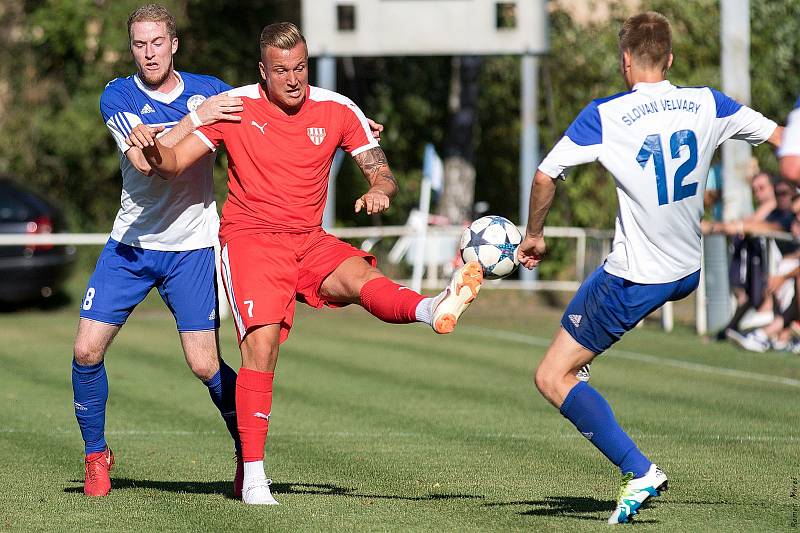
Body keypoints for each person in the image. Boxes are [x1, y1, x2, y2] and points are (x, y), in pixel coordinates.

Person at [126, 22, 483, 505]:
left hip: (308, 240)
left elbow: (379, 168)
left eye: (300, 68)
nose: (293, 79)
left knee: (362, 276)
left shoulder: (337, 108)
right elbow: (171, 163)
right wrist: (153, 149)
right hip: (250, 242)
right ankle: (253, 477)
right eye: (281, 70)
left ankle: (430, 307)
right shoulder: (233, 107)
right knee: (263, 345)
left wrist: (379, 189)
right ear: (262, 71)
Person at [75, 4, 386, 499]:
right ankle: (96, 456)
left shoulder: (214, 89)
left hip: (193, 247)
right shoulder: (118, 96)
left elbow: (273, 103)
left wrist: (350, 122)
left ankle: (248, 456)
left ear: (174, 45)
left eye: (158, 43)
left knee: (203, 364)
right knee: (85, 350)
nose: (149, 53)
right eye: (140, 44)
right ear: (131, 48)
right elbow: (144, 160)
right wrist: (198, 117)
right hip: (130, 245)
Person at [516, 12, 781, 524]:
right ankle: (584, 364)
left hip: (638, 276)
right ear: (671, 60)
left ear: (624, 61)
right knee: (581, 319)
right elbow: (780, 138)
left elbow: (546, 174)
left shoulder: (606, 114)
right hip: (687, 269)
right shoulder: (708, 102)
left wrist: (534, 234)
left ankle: (639, 471)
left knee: (551, 376)